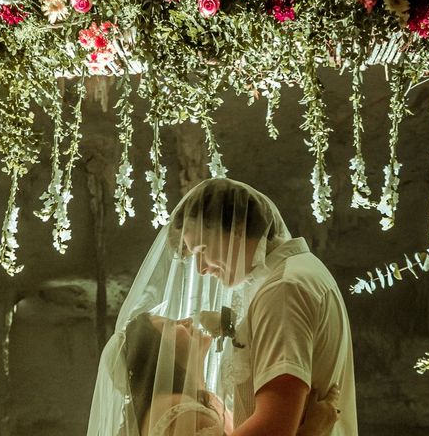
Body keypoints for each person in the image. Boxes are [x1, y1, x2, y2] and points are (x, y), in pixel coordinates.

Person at [87, 178, 353, 435]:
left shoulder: (283, 289)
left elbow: (275, 426)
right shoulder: (299, 274)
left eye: (202, 248)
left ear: (237, 226)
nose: (201, 268)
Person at [104, 311, 339, 435]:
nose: (186, 320)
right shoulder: (182, 412)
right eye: (171, 324)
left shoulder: (195, 403)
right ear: (156, 354)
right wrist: (312, 430)